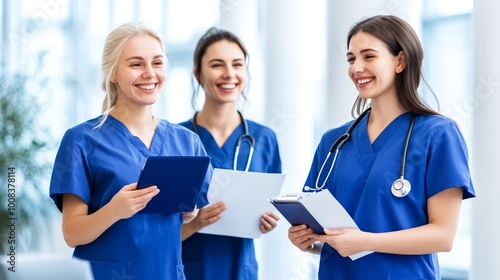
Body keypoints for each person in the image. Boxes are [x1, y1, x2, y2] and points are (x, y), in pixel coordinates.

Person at [287, 15, 475, 280]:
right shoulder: (334, 142)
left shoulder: (438, 135)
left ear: (400, 61)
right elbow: (334, 237)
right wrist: (308, 241)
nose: (356, 68)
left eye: (368, 56)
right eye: (351, 59)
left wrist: (366, 241)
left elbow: (443, 236)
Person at [49, 22, 211, 280]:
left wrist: (189, 215)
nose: (149, 73)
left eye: (157, 63)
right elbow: (72, 233)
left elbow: (178, 223)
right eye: (136, 64)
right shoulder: (81, 140)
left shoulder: (187, 142)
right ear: (112, 73)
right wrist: (115, 210)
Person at [179, 27, 282, 280]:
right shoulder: (176, 140)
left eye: (237, 64)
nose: (229, 74)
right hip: (188, 268)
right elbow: (157, 228)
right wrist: (195, 223)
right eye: (217, 65)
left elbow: (267, 205)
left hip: (241, 268)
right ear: (198, 74)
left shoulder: (264, 139)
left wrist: (268, 222)